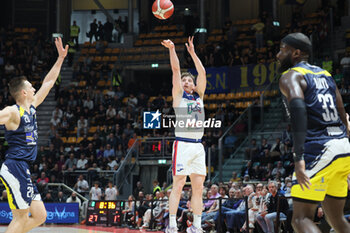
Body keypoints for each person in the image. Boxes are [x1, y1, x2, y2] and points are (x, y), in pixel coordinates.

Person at [277, 32, 350, 233]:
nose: (278, 55)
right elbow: (342, 113)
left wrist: (298, 156)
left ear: (296, 53)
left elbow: (299, 112)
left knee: (300, 219)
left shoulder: (291, 75)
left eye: (282, 50)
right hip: (342, 146)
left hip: (318, 147)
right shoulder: (325, 75)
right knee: (337, 219)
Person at [0, 37, 68, 233]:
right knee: (20, 218)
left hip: (24, 168)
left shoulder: (30, 107)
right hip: (15, 166)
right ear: (22, 93)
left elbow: (49, 82)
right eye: (30, 87)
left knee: (40, 215)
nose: (34, 88)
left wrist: (61, 58)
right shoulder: (13, 112)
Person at [162, 36, 207, 233]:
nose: (187, 81)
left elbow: (203, 72)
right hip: (182, 144)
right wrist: (172, 49)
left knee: (198, 188)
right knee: (178, 185)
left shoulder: (200, 96)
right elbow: (175, 70)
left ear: (194, 84)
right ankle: (172, 225)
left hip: (198, 146)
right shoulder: (179, 97)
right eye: (184, 80)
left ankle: (196, 226)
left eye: (190, 80)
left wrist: (192, 53)